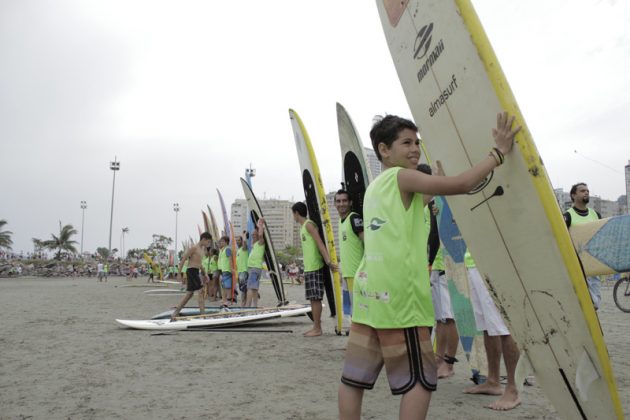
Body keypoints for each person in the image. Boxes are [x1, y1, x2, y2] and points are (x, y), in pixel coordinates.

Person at [338, 112, 520, 420]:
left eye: (417, 142)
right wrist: (498, 153)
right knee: (421, 381)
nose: (414, 149)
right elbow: (462, 184)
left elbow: (417, 202)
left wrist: (434, 179)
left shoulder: (374, 189)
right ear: (384, 150)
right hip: (400, 300)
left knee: (354, 379)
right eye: (406, 143)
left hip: (370, 297)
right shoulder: (401, 177)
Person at [462, 250, 521, 411]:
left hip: (494, 260)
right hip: (474, 260)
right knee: (488, 327)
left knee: (503, 327)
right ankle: (493, 380)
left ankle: (513, 389)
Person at [417, 163, 460, 380]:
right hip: (433, 266)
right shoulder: (426, 204)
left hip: (442, 265)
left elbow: (437, 235)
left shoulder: (439, 200)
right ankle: (439, 357)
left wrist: (430, 263)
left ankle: (448, 363)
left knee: (449, 318)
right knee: (441, 318)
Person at [291, 201, 338, 337]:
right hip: (309, 268)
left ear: (296, 213)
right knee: (312, 298)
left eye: (293, 214)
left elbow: (319, 243)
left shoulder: (309, 225)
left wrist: (328, 261)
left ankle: (318, 328)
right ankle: (316, 327)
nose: (293, 216)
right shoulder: (302, 227)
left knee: (316, 298)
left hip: (316, 266)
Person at [563, 182, 602, 310]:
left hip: (594, 264)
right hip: (577, 265)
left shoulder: (595, 215)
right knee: (590, 303)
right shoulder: (567, 216)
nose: (586, 192)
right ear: (573, 195)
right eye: (582, 191)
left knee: (595, 304)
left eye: (587, 191)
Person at [334, 189, 364, 318]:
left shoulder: (354, 218)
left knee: (359, 310)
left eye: (344, 201)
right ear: (335, 204)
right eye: (338, 201)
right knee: (352, 311)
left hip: (357, 274)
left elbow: (368, 241)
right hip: (346, 274)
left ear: (350, 202)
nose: (341, 204)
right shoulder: (341, 222)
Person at [171, 232, 212, 320]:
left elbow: (200, 264)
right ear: (203, 239)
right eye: (208, 242)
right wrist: (179, 273)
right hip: (191, 271)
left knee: (189, 294)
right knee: (200, 291)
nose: (208, 244)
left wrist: (205, 274)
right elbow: (184, 259)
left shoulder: (202, 250)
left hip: (196, 271)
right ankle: (203, 316)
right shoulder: (194, 248)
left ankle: (175, 313)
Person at [246, 218, 266, 307]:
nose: (253, 235)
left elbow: (261, 235)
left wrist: (260, 225)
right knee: (254, 288)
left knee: (250, 287)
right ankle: (255, 306)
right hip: (253, 267)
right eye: (252, 234)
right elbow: (253, 238)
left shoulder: (261, 242)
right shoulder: (255, 244)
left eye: (254, 234)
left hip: (255, 268)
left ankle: (248, 306)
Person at [217, 235, 235, 306]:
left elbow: (230, 258)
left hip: (227, 270)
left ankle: (229, 300)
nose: (221, 242)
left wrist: (231, 268)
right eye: (220, 241)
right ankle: (224, 299)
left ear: (226, 242)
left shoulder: (227, 249)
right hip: (222, 270)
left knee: (228, 286)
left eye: (222, 241)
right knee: (223, 286)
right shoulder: (222, 250)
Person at [236, 233, 250, 305]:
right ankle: (244, 304)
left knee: (243, 290)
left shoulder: (244, 248)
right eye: (236, 240)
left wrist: (244, 235)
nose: (237, 242)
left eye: (238, 240)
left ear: (241, 241)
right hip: (240, 272)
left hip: (244, 271)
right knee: (243, 289)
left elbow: (244, 242)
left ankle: (243, 304)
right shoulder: (238, 250)